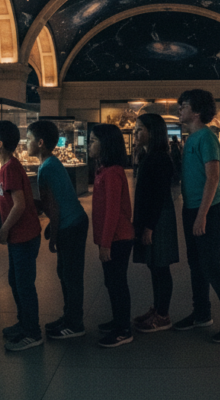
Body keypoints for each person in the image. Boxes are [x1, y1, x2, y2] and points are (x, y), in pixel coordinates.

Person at [175, 89, 220, 343]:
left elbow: (213, 177)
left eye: (183, 106)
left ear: (196, 111)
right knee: (196, 263)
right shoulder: (192, 138)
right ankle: (202, 313)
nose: (179, 109)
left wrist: (202, 215)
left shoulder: (206, 137)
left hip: (207, 209)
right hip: (192, 207)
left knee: (210, 264)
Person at [0, 120, 43, 352]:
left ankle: (33, 332)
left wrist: (4, 229)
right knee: (16, 282)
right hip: (21, 236)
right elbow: (9, 198)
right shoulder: (8, 166)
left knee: (24, 285)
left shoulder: (10, 168)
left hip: (23, 236)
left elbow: (19, 205)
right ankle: (25, 323)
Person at [26, 120, 89, 340]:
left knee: (70, 275)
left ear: (41, 143)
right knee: (65, 273)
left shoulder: (46, 169)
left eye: (29, 139)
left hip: (70, 225)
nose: (26, 143)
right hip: (74, 222)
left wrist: (53, 235)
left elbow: (53, 205)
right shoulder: (51, 163)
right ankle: (69, 316)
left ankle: (75, 323)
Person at [131, 114, 180, 333]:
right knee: (154, 265)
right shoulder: (149, 155)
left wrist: (149, 226)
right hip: (153, 217)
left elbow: (159, 195)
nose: (136, 133)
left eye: (140, 129)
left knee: (160, 267)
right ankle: (157, 308)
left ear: (153, 132)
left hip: (158, 218)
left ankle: (163, 314)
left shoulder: (158, 158)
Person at [89, 124, 135, 347]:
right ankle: (118, 320)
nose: (89, 145)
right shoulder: (104, 171)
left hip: (118, 238)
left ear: (105, 144)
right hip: (111, 238)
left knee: (117, 283)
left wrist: (105, 243)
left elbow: (112, 211)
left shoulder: (113, 173)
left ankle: (124, 329)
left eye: (93, 141)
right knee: (111, 282)